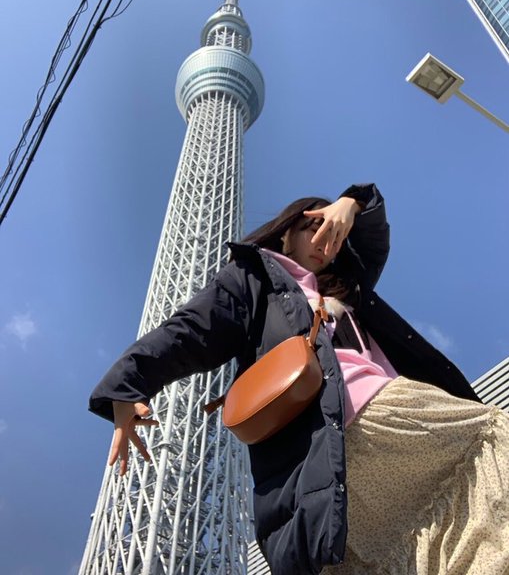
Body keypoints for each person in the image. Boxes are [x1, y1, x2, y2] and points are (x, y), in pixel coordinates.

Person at [89, 183, 509, 575]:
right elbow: (190, 331)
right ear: (285, 232)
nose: (326, 241)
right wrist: (126, 387)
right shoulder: (256, 277)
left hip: (340, 459)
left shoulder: (347, 287)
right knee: (488, 437)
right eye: (313, 227)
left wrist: (352, 203)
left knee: (430, 549)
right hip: (354, 418)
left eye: (335, 234)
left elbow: (373, 238)